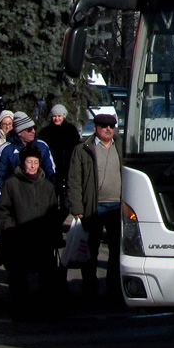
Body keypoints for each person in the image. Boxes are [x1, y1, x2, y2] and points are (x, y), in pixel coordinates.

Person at [0, 144, 64, 318]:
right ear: (22, 163)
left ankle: (46, 311)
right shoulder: (12, 184)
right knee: (18, 278)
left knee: (47, 277)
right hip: (19, 239)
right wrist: (8, 230)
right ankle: (20, 311)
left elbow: (52, 213)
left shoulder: (47, 186)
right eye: (29, 161)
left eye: (35, 162)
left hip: (42, 240)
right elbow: (2, 210)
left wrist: (54, 236)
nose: (32, 165)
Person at [67, 112, 123, 301]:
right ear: (96, 128)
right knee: (90, 249)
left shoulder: (122, 146)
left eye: (111, 126)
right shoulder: (83, 149)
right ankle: (89, 287)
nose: (108, 129)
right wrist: (77, 209)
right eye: (104, 126)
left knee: (117, 249)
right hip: (93, 207)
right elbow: (74, 180)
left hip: (118, 207)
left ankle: (114, 287)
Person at [0, 112, 56, 199]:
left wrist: (50, 197)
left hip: (39, 198)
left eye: (34, 128)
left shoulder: (42, 146)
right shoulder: (5, 150)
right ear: (19, 132)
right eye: (29, 129)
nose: (33, 131)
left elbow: (51, 173)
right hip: (14, 199)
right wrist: (3, 200)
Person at [38, 104, 79, 212]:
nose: (56, 118)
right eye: (54, 116)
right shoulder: (45, 132)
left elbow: (76, 150)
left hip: (67, 172)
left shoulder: (71, 131)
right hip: (51, 172)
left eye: (59, 116)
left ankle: (58, 223)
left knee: (65, 206)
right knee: (51, 204)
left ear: (64, 116)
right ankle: (54, 226)